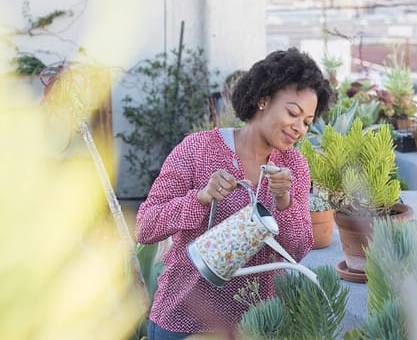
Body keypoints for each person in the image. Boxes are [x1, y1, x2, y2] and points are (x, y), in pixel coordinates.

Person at [135, 47, 334, 339]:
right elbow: (145, 227)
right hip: (183, 321)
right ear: (263, 99)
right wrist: (201, 198)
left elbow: (296, 251)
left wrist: (284, 200)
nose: (299, 128)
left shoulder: (294, 166)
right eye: (293, 112)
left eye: (307, 121)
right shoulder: (197, 149)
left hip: (253, 327)